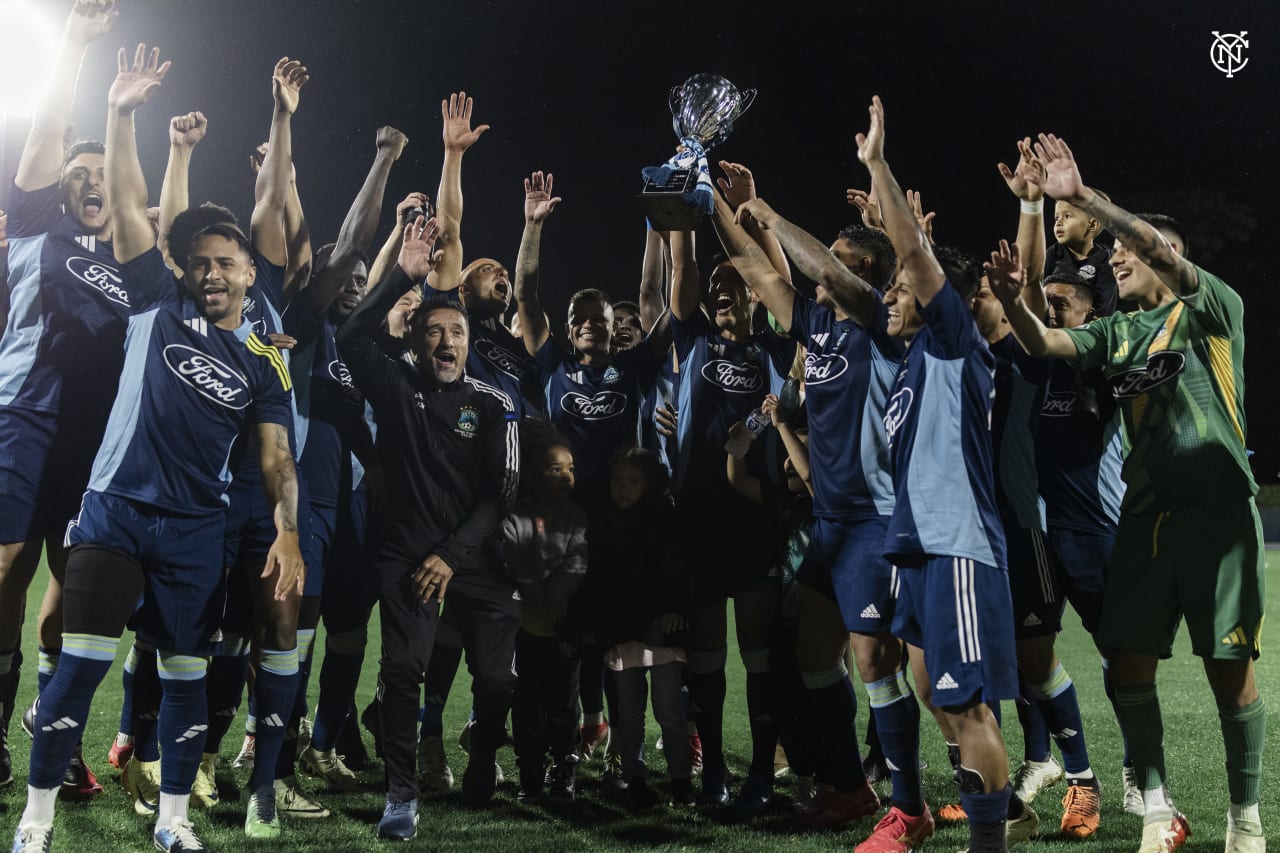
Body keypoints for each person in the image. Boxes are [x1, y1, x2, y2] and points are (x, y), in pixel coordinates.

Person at [11, 43, 303, 853]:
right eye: (201, 263)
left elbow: (278, 458)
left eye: (226, 263)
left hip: (195, 530)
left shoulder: (266, 357)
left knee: (185, 676)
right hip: (115, 512)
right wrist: (122, 112)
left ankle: (173, 822)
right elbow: (135, 203)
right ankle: (34, 824)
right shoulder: (153, 299)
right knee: (79, 670)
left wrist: (285, 528)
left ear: (250, 272)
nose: (211, 274)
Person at [987, 131, 1266, 853]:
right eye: (1116, 252)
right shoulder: (1117, 334)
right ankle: (1157, 809)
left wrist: (1085, 201)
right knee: (1130, 662)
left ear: (1165, 260)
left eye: (1130, 252)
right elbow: (1045, 344)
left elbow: (1161, 248)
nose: (1118, 256)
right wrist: (1012, 300)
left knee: (1228, 672)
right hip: (1143, 521)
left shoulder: (1211, 312)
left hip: (1215, 515)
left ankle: (1244, 817)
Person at [718, 191, 939, 845]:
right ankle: (850, 783)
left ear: (868, 277)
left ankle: (910, 807)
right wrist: (714, 209)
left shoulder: (883, 325)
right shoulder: (817, 326)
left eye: (844, 264)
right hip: (829, 519)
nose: (828, 272)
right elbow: (759, 274)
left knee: (875, 657)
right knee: (816, 646)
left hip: (878, 517)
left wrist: (774, 217)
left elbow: (820, 269)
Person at [858, 96, 1021, 853]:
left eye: (899, 290)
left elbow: (918, 262)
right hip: (917, 548)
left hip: (957, 545)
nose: (891, 296)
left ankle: (988, 843)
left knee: (969, 710)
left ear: (932, 302)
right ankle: (968, 818)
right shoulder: (914, 363)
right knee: (936, 698)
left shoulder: (954, 343)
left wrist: (880, 166)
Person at [336, 216, 519, 841]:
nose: (447, 341)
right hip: (407, 556)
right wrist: (400, 278)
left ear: (470, 341)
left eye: (457, 332)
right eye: (434, 331)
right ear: (415, 343)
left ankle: (484, 755)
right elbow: (350, 338)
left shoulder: (492, 406)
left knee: (497, 679)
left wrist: (453, 553)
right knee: (401, 671)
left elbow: (500, 497)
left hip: (476, 557)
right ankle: (401, 795)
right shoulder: (396, 386)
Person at [0, 0, 121, 797]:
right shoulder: (39, 221)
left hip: (91, 442)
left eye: (105, 176)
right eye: (81, 172)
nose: (91, 182)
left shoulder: (128, 261)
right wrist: (74, 48)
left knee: (74, 597)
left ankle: (53, 726)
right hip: (22, 418)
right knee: (6, 575)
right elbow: (46, 137)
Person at [283, 125, 408, 793]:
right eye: (348, 277)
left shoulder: (368, 349)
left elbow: (386, 272)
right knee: (296, 627)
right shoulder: (304, 328)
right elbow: (351, 245)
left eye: (364, 279)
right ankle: (280, 732)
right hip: (305, 498)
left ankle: (327, 741)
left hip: (356, 505)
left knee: (350, 631)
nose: (357, 283)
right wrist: (382, 157)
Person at [574, 448, 692, 809]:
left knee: (670, 710)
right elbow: (595, 581)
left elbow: (680, 569)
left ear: (650, 484)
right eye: (617, 480)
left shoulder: (665, 520)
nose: (623, 488)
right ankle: (635, 779)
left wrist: (675, 609)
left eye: (634, 481)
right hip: (620, 633)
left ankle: (681, 782)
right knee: (628, 713)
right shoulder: (603, 524)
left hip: (661, 631)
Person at [502, 432, 589, 801]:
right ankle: (530, 772)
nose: (566, 476)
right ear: (535, 474)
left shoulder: (577, 516)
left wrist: (555, 598)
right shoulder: (518, 514)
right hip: (525, 628)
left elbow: (578, 560)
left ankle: (564, 769)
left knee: (565, 704)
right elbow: (512, 560)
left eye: (570, 469)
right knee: (526, 706)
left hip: (562, 628)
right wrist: (534, 595)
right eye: (555, 469)